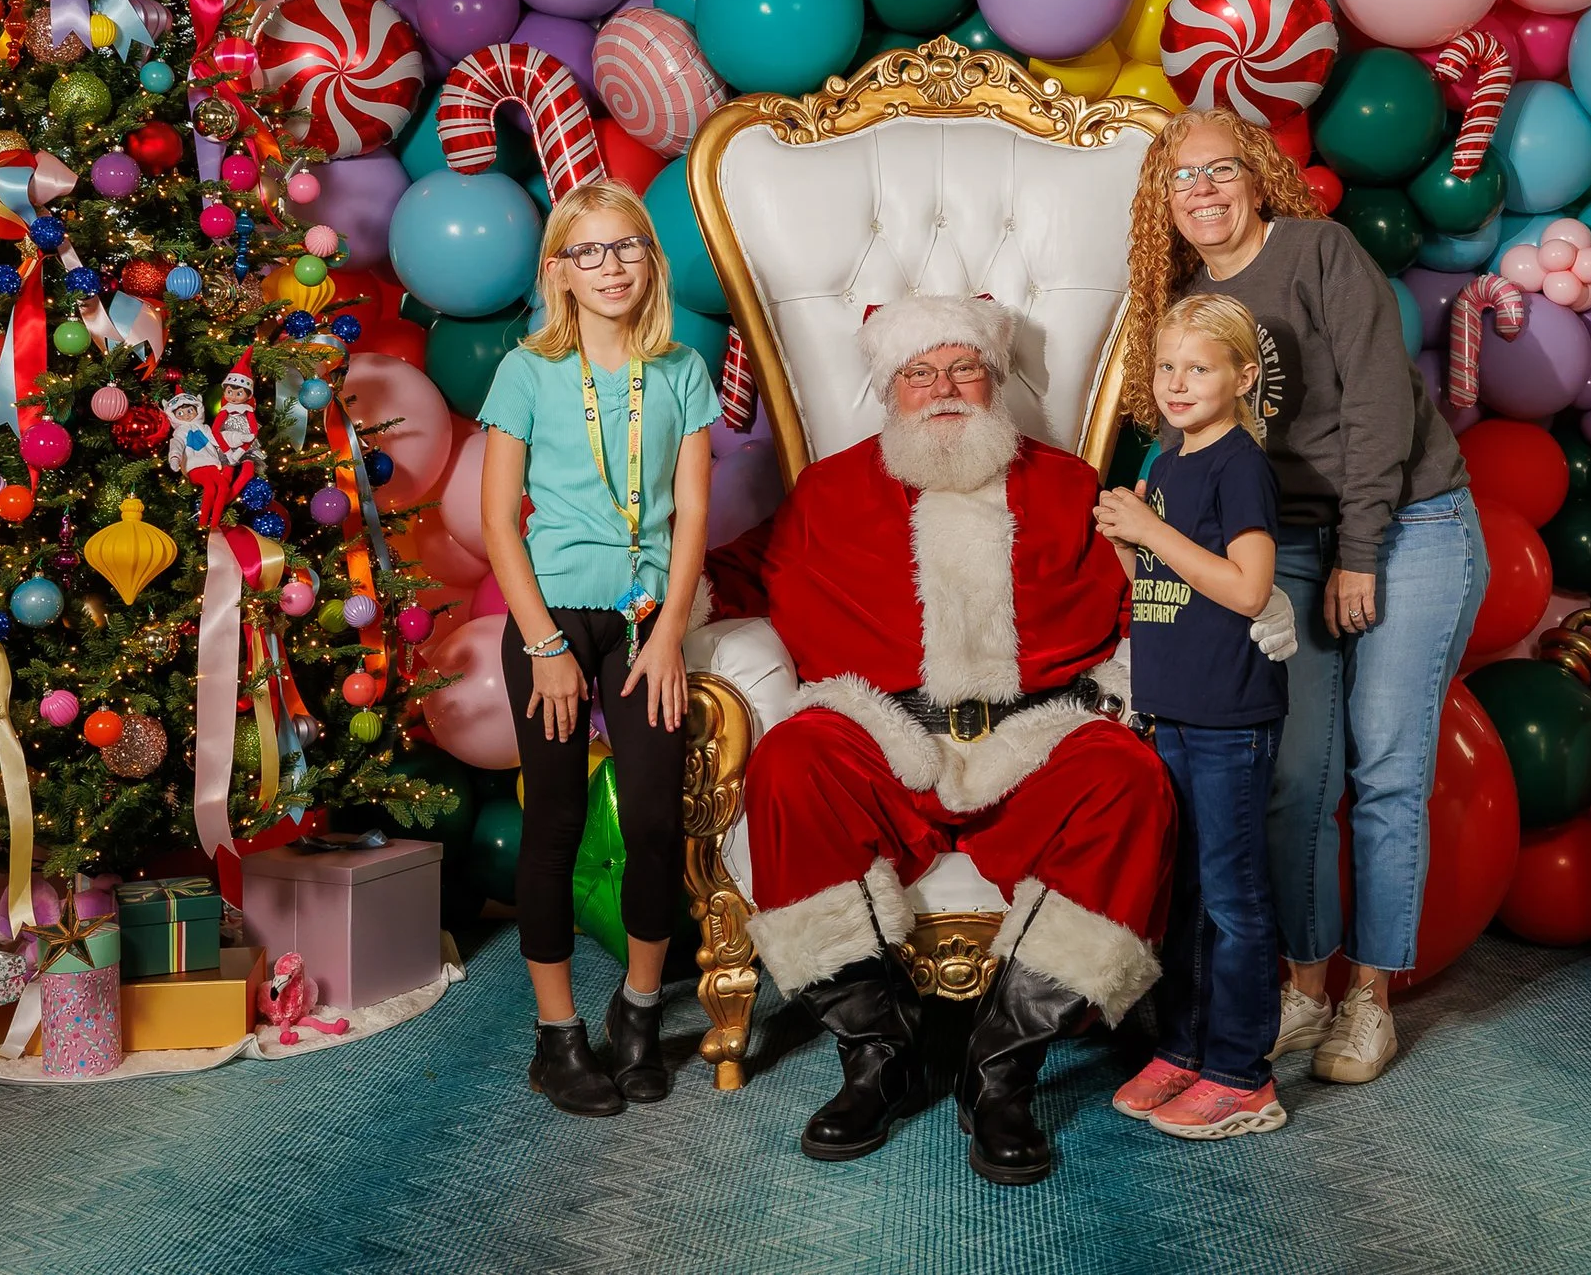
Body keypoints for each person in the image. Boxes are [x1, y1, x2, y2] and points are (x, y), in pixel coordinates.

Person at [709, 293, 1176, 1187]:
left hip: (1037, 738)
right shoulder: (833, 490)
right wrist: (651, 606)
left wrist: (1233, 612)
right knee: (791, 760)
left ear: (993, 381)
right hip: (884, 738)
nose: (943, 389)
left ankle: (1000, 1070)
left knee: (1129, 777)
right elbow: (743, 570)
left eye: (963, 368)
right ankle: (874, 1055)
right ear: (890, 391)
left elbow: (1146, 591)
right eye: (919, 373)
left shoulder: (1071, 485)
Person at [1120, 108, 1484, 1087]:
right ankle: (1304, 984)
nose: (1201, 190)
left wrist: (1361, 550)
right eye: (1179, 177)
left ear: (1255, 177)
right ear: (1163, 201)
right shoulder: (1189, 298)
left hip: (1407, 524)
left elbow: (1375, 407)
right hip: (1285, 541)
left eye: (1219, 171)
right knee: (1291, 776)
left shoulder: (1317, 252)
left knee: (1385, 766)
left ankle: (1369, 997)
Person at [479, 177, 715, 1117]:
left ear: (649, 262)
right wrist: (541, 642)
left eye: (626, 248)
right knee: (558, 825)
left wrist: (667, 636)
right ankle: (557, 1037)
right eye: (589, 252)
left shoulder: (681, 369)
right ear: (559, 273)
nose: (609, 266)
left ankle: (640, 1013)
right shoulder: (527, 372)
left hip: (643, 623)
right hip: (551, 621)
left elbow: (693, 515)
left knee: (657, 820)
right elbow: (499, 521)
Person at [1097, 293, 1293, 1141]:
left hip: (1231, 715)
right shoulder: (1168, 457)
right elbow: (1163, 582)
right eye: (1167, 366)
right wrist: (1127, 538)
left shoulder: (1239, 463)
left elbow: (1248, 588)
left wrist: (1149, 529)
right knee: (1182, 894)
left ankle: (1243, 1074)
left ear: (1243, 378)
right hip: (1172, 708)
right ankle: (1182, 1049)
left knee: (1234, 899)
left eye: (1199, 368)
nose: (1177, 383)